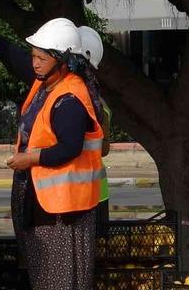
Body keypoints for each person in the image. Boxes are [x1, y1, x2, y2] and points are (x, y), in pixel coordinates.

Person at [0, 18, 104, 290]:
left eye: (40, 57)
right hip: (40, 202)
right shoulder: (44, 80)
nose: (34, 63)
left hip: (61, 210)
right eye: (34, 56)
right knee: (42, 276)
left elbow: (70, 147)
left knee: (59, 278)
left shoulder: (70, 98)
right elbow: (13, 55)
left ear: (61, 60)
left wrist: (30, 158)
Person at [77, 25, 111, 236]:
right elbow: (104, 148)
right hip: (95, 192)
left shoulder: (77, 98)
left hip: (79, 195)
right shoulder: (99, 100)